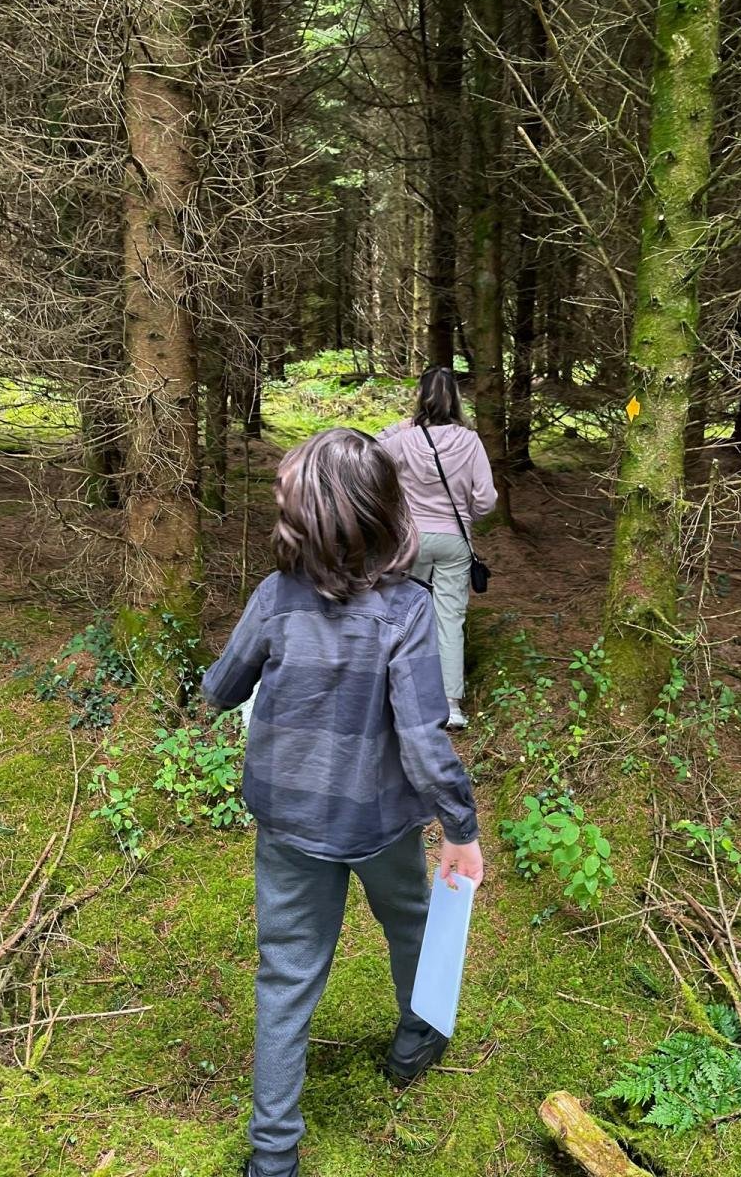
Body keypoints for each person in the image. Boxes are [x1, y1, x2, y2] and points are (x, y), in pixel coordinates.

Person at [201, 427, 484, 1177]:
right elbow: (425, 740)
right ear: (388, 514)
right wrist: (460, 828)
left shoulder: (274, 598)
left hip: (288, 824)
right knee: (411, 924)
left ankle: (272, 1156)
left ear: (302, 518)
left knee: (287, 973)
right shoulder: (409, 610)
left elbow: (221, 688)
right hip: (380, 822)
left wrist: (241, 676)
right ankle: (417, 1037)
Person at [379, 366, 497, 730]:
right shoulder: (470, 440)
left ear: (421, 396)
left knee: (401, 615)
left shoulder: (405, 439)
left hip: (410, 539)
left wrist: (397, 429)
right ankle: (451, 706)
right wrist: (466, 515)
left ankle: (396, 695)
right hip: (453, 541)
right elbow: (487, 499)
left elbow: (367, 451)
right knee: (449, 620)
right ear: (457, 399)